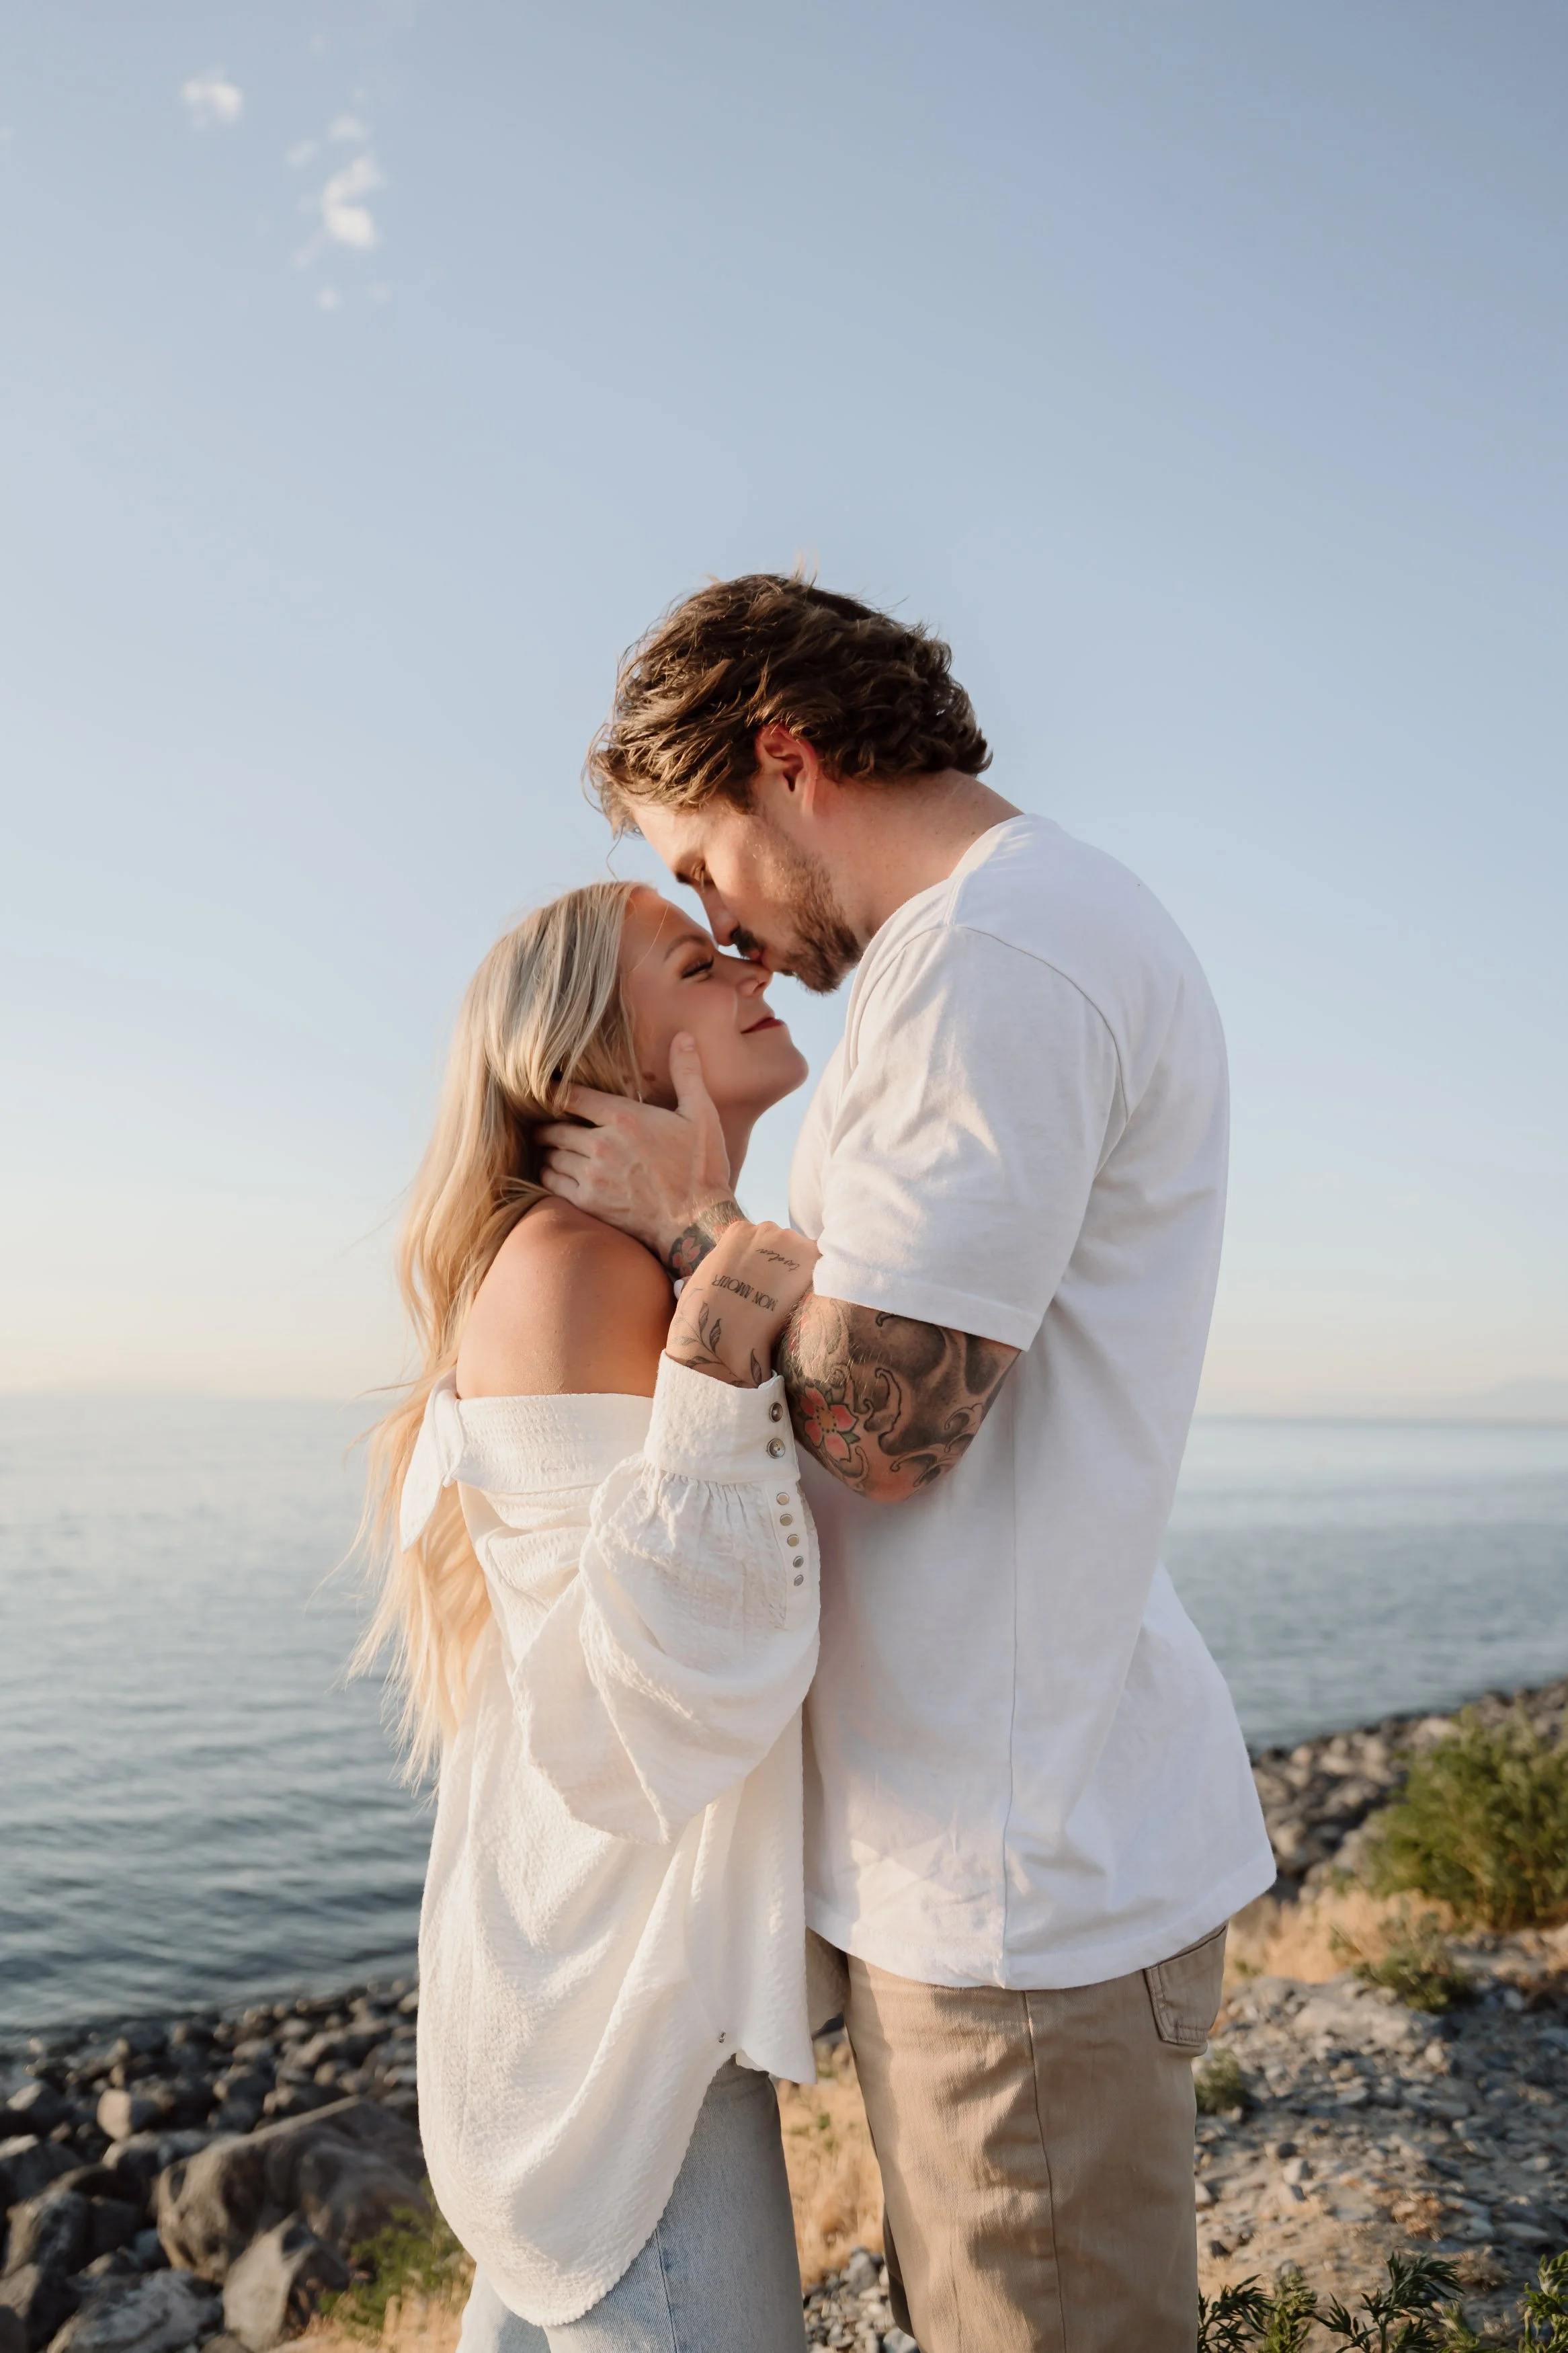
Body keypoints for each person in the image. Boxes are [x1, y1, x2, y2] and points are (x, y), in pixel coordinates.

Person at [536, 577, 1278, 2353]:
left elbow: (884, 1426)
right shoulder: (1008, 943)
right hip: (1000, 1847)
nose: (715, 915)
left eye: (699, 857)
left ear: (784, 760)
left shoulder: (990, 960)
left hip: (1012, 1887)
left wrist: (690, 1213)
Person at [360, 878, 827, 2352]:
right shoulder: (578, 1271)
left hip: (600, 1975)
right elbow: (638, 1699)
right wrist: (725, 1278)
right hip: (619, 2017)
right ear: (585, 1076)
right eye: (696, 962)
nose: (751, 961)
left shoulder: (617, 1262)